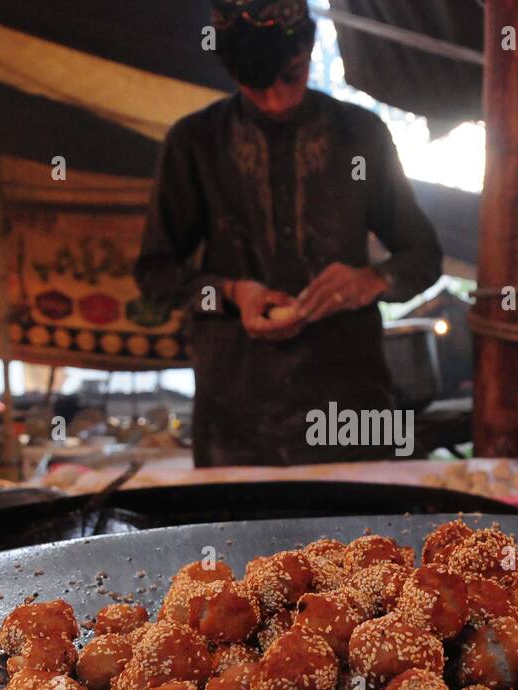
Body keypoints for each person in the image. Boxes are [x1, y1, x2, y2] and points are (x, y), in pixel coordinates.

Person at [134, 0, 443, 466]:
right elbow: (155, 275)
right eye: (255, 87)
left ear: (310, 47)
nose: (277, 100)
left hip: (351, 409)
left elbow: (423, 255)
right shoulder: (195, 143)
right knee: (242, 538)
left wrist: (373, 281)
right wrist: (231, 292)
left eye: (292, 76)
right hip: (236, 419)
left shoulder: (361, 134)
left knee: (364, 536)